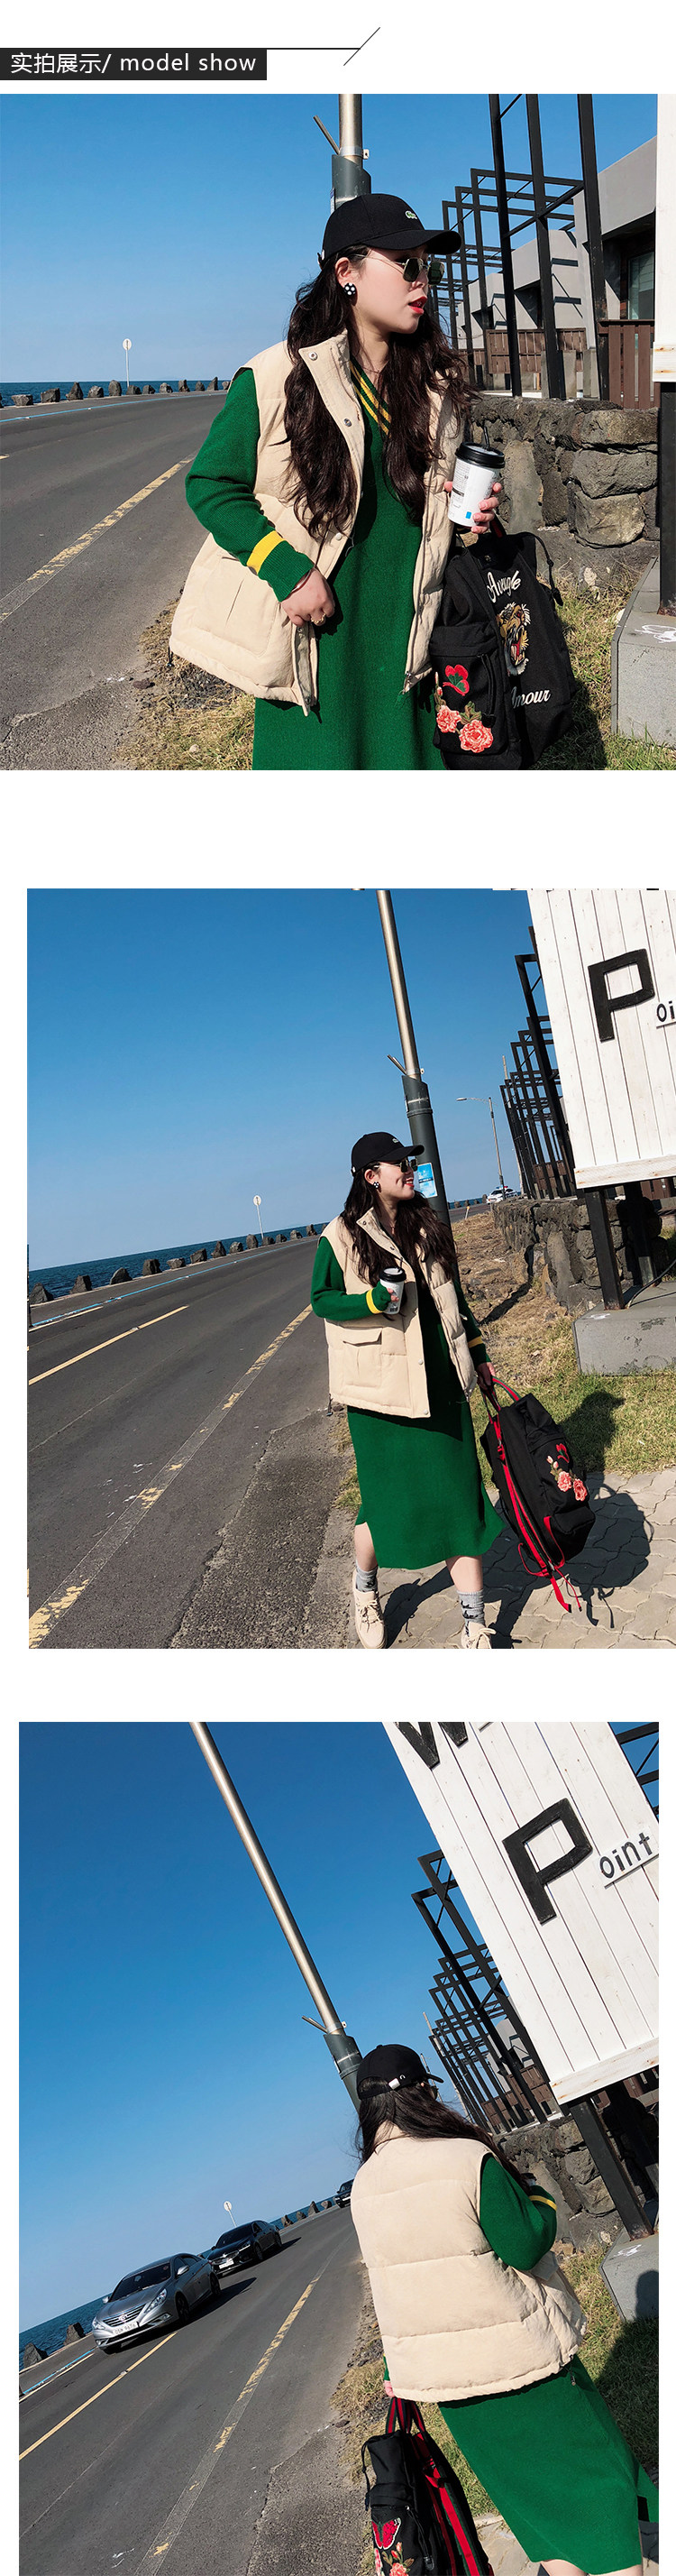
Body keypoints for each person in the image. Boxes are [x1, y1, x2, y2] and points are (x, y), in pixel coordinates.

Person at [180, 193, 501, 768]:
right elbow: (210, 484)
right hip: (317, 644)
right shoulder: (276, 376)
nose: (422, 280)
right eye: (406, 263)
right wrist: (287, 572)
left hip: (409, 643)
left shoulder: (434, 385)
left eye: (427, 266)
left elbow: (427, 509)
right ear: (346, 272)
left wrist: (470, 515)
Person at [350, 2045, 658, 2576]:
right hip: (523, 2366)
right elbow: (524, 2242)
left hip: (454, 2387)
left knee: (537, 2511)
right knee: (598, 2489)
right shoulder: (465, 2158)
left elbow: (398, 2284)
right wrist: (536, 2195)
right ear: (422, 2091)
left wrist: (394, 2365)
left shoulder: (364, 2186)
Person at [310, 1132, 501, 1648]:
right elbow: (321, 1299)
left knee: (459, 1499)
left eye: (410, 1161)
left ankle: (474, 1625)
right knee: (386, 1503)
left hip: (443, 1381)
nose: (409, 1169)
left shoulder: (427, 1224)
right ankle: (365, 1588)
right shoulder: (340, 1236)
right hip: (382, 1394)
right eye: (399, 1163)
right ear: (371, 1176)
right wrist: (371, 1301)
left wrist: (479, 1355)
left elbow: (455, 1299)